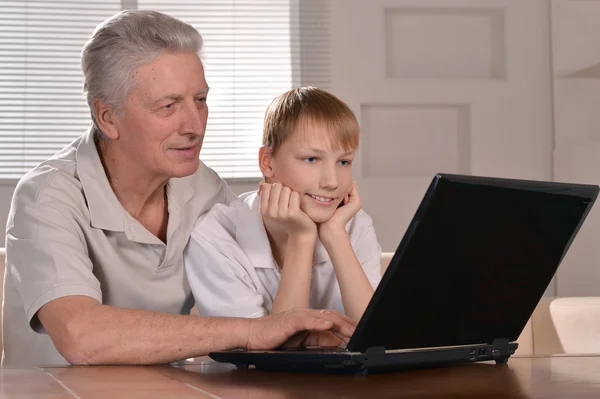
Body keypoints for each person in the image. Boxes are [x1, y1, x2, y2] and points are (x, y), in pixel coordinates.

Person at [2, 10, 355, 367]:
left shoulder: (205, 188)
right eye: (168, 105)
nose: (194, 125)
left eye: (200, 100)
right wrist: (250, 332)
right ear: (107, 117)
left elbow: (263, 306)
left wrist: (306, 331)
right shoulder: (45, 197)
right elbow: (80, 337)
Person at [184, 87, 382, 326]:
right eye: (311, 159)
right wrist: (301, 237)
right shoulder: (214, 236)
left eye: (343, 161)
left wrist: (335, 236)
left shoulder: (352, 224)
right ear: (267, 163)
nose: (332, 182)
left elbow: (374, 336)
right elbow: (264, 349)